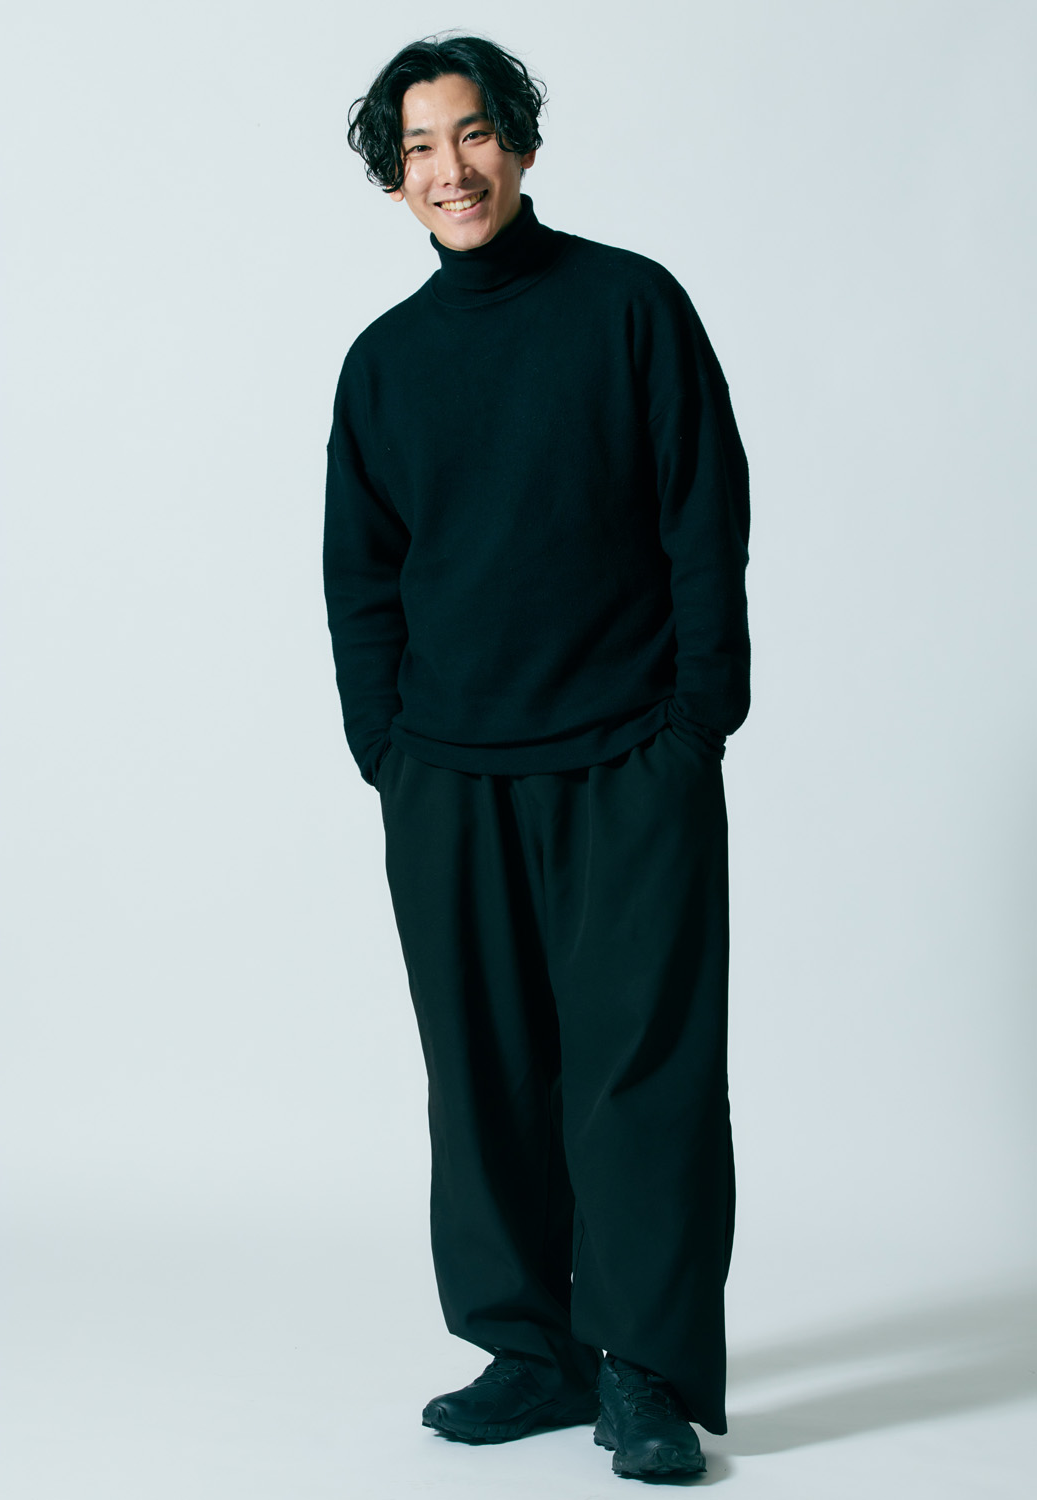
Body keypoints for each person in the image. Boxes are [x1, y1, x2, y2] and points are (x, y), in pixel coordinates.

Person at [323, 32, 751, 1483]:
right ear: (395, 179)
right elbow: (361, 574)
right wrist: (387, 748)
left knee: (643, 1076)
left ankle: (643, 1365)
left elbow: (704, 509)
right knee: (484, 1075)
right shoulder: (384, 365)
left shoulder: (631, 306)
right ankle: (532, 1349)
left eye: (472, 134)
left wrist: (699, 718)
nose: (450, 169)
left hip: (632, 754)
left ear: (518, 142)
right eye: (418, 148)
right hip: (450, 773)